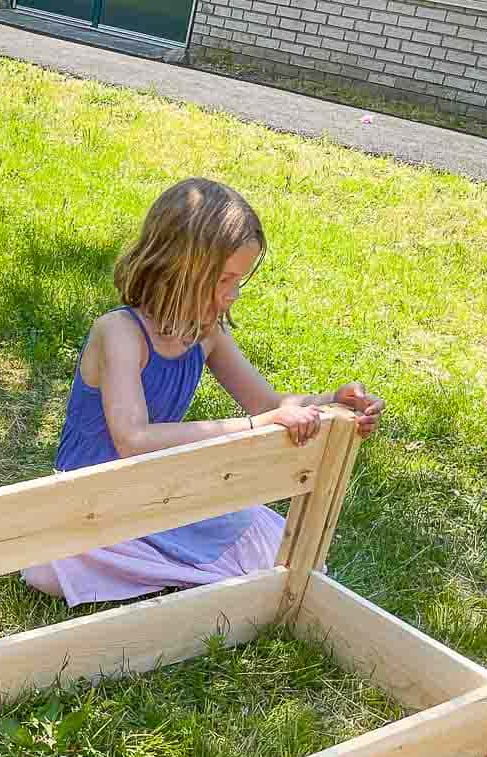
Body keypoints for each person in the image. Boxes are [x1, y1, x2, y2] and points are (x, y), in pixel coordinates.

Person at [22, 177, 384, 607]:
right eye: (224, 280)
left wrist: (330, 403)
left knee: (275, 551)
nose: (232, 295)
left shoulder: (204, 332)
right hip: (95, 496)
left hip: (161, 491)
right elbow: (132, 439)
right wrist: (253, 427)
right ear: (179, 266)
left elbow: (269, 405)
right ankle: (175, 569)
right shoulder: (119, 332)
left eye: (239, 282)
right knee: (43, 570)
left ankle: (167, 568)